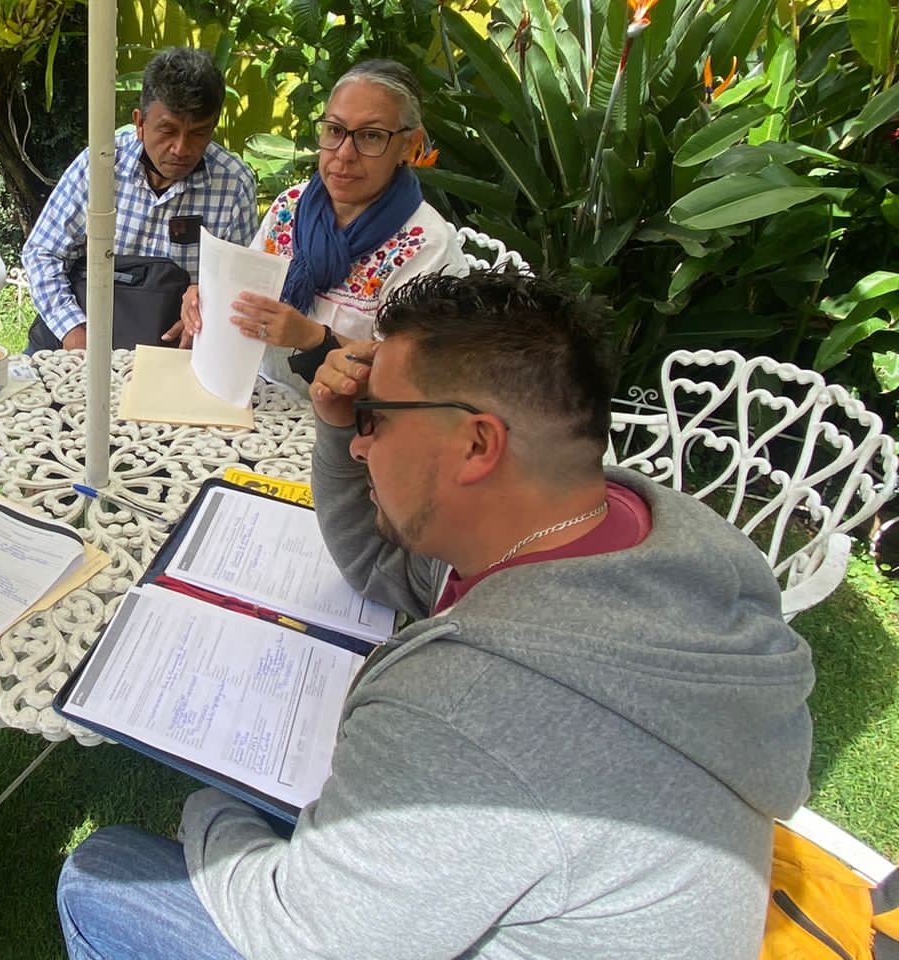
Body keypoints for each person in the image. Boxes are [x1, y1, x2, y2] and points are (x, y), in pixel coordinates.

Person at [58, 268, 815, 960]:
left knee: (103, 873)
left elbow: (304, 937)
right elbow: (378, 566)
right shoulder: (628, 528)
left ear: (477, 444)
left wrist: (209, 808)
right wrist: (337, 426)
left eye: (376, 417)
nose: (361, 446)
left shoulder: (467, 709)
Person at [181, 58, 466, 393]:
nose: (344, 153)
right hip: (261, 396)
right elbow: (246, 300)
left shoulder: (426, 246)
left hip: (355, 420)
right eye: (334, 130)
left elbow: (415, 376)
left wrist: (313, 337)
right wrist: (210, 302)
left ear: (408, 145)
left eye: (370, 136)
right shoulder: (290, 207)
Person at [22, 46, 258, 351]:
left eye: (198, 133)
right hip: (77, 335)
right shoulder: (101, 164)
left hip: (171, 350)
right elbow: (42, 253)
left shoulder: (234, 185)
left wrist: (205, 315)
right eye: (167, 130)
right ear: (140, 123)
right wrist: (74, 333)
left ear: (213, 127)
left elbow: (239, 290)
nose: (180, 148)